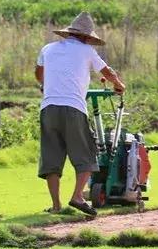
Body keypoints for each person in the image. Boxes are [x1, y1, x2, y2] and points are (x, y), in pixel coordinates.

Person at [35, 11, 125, 215]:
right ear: (86, 37)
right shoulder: (87, 51)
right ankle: (77, 197)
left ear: (69, 33)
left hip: (48, 109)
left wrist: (46, 85)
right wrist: (119, 85)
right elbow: (107, 72)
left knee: (51, 157)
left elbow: (39, 74)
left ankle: (56, 206)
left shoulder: (48, 48)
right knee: (87, 154)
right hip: (73, 108)